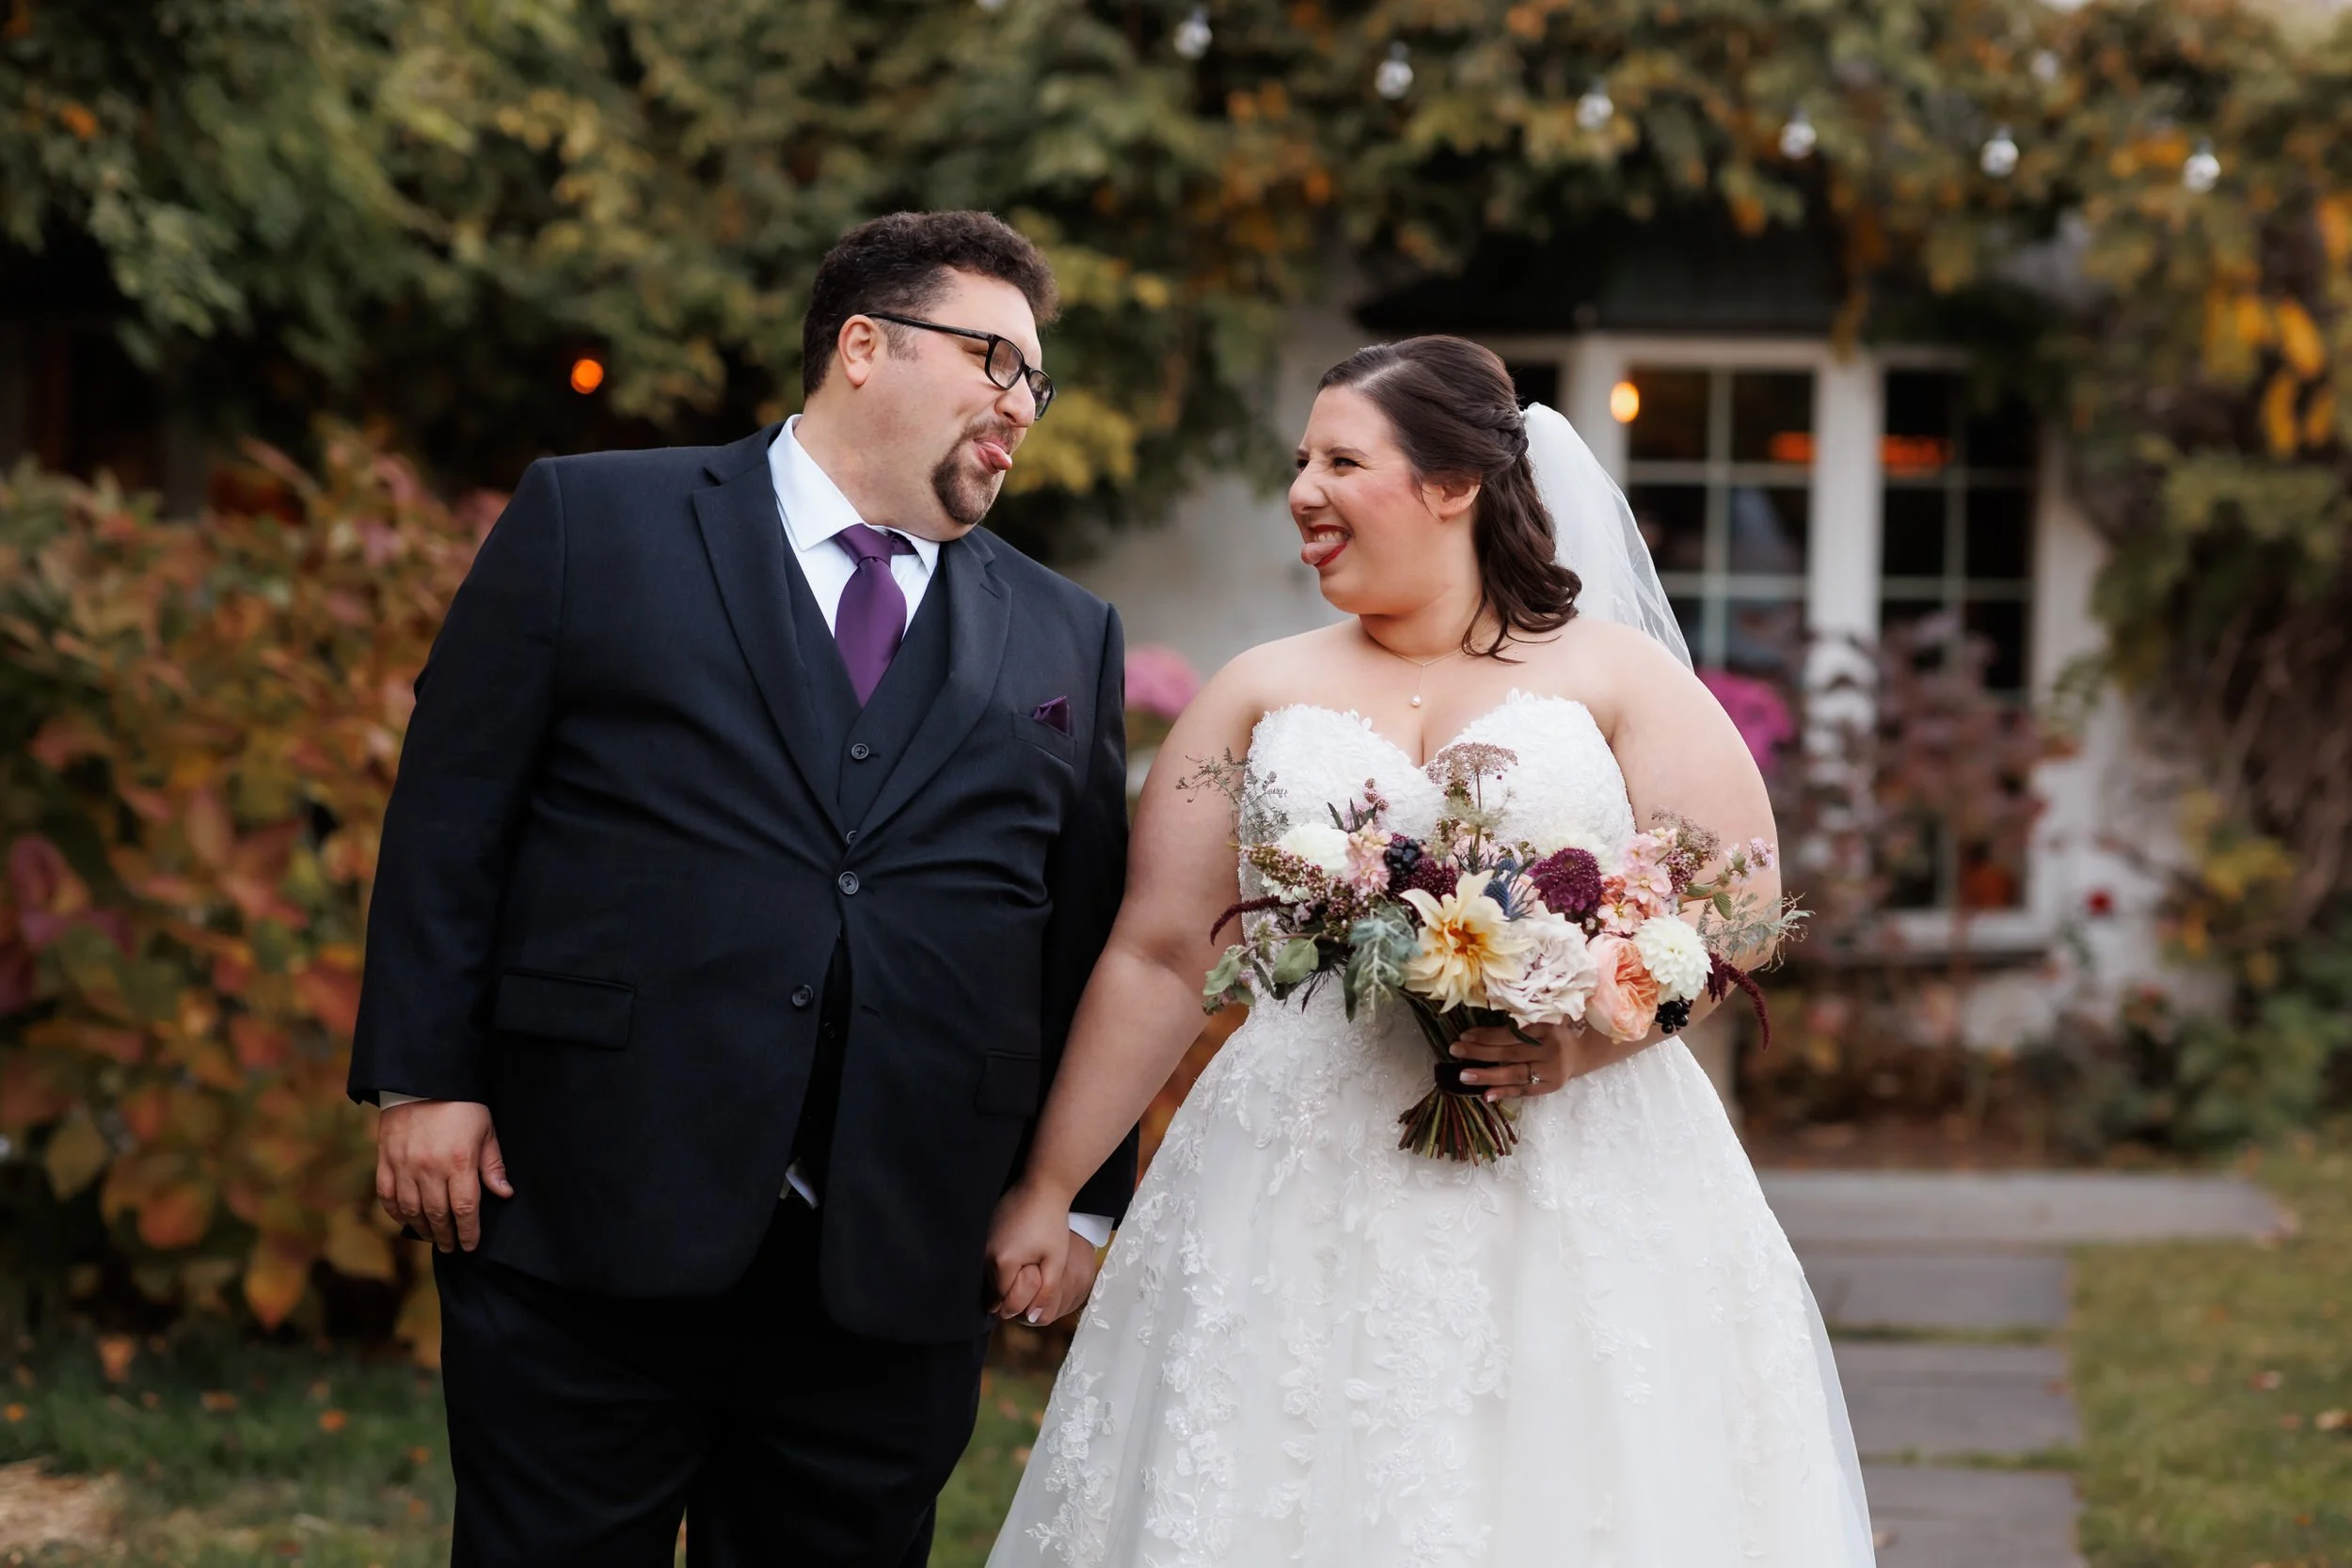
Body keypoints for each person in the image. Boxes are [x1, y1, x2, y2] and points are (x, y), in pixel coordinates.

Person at [980, 336, 1877, 1565]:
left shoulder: (1616, 677)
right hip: (1289, 1170)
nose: (1302, 489)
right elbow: (1154, 954)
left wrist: (1569, 1045)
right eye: (1300, 460)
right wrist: (1051, 1191)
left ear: (1454, 484)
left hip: (1579, 1177)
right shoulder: (1253, 692)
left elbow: (1736, 905)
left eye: (1342, 459)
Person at [349, 210, 1137, 1567]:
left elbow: (1083, 933)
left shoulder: (1069, 629)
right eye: (993, 360)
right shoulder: (592, 522)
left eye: (1034, 380)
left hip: (896, 1250)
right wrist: (423, 1078)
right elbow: (453, 810)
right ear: (862, 345)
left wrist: (1075, 1195)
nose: (1022, 404)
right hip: (585, 1203)